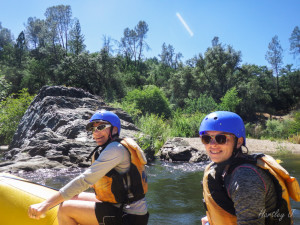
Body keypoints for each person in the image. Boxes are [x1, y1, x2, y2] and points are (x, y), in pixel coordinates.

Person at [28, 110, 149, 225]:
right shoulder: (111, 148)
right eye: (93, 129)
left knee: (65, 208)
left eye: (101, 127)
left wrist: (46, 205)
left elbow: (84, 180)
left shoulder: (116, 149)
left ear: (114, 129)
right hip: (120, 206)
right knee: (75, 196)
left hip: (128, 216)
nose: (96, 132)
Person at [199, 111, 300, 225]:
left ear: (239, 142)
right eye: (206, 138)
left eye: (221, 138)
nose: (212, 144)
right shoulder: (222, 168)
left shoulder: (245, 178)